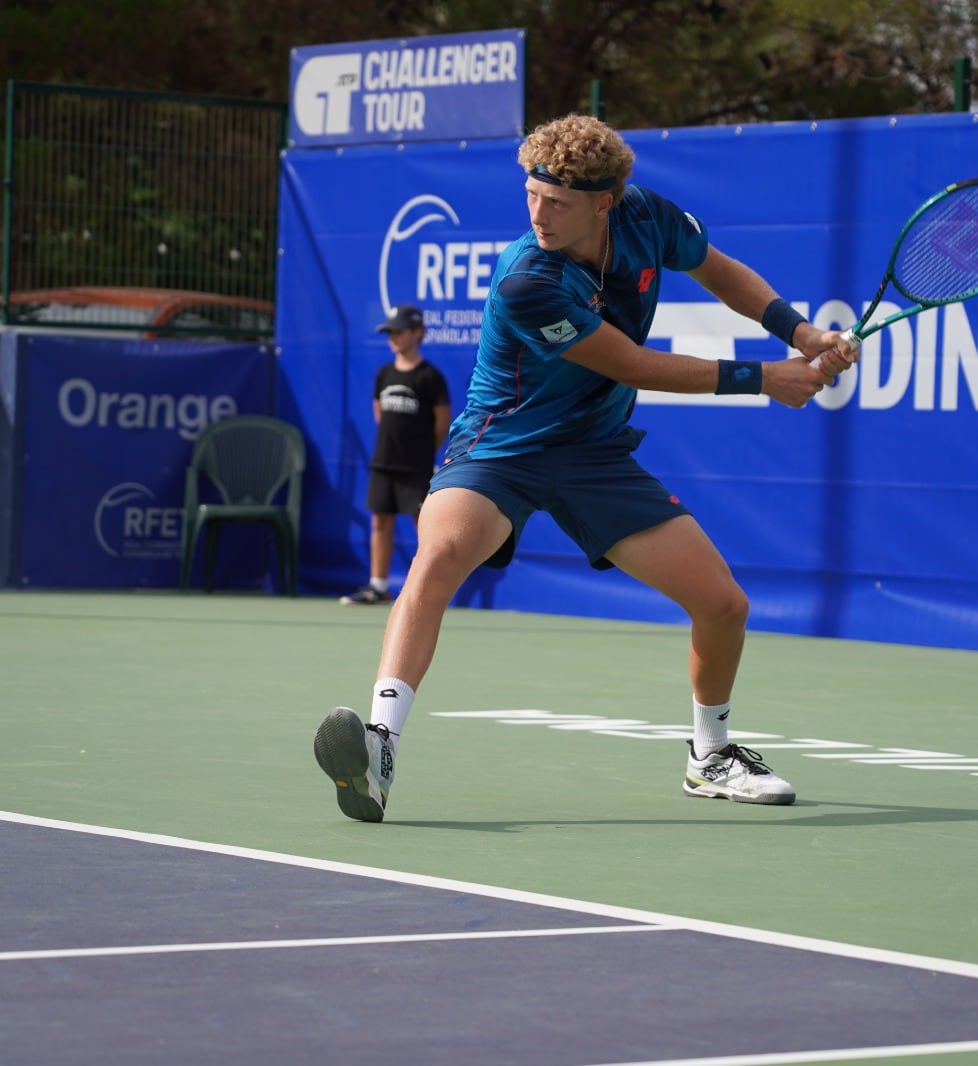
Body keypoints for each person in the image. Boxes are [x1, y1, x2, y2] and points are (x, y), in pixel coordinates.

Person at [314, 114, 857, 822]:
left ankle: (711, 756)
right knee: (439, 554)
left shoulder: (646, 216)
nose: (538, 214)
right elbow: (631, 364)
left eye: (557, 203)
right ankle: (380, 746)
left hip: (594, 452)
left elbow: (719, 271)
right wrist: (766, 377)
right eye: (531, 195)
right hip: (499, 448)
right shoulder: (526, 280)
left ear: (605, 201)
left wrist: (803, 331)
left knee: (724, 605)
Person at [339, 304, 452, 605]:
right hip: (383, 462)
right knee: (380, 521)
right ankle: (378, 585)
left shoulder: (430, 377)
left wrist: (423, 451)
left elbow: (443, 421)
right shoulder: (384, 374)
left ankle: (430, 587)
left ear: (418, 333)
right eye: (390, 332)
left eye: (400, 331)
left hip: (416, 466)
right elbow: (380, 414)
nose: (394, 337)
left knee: (424, 526)